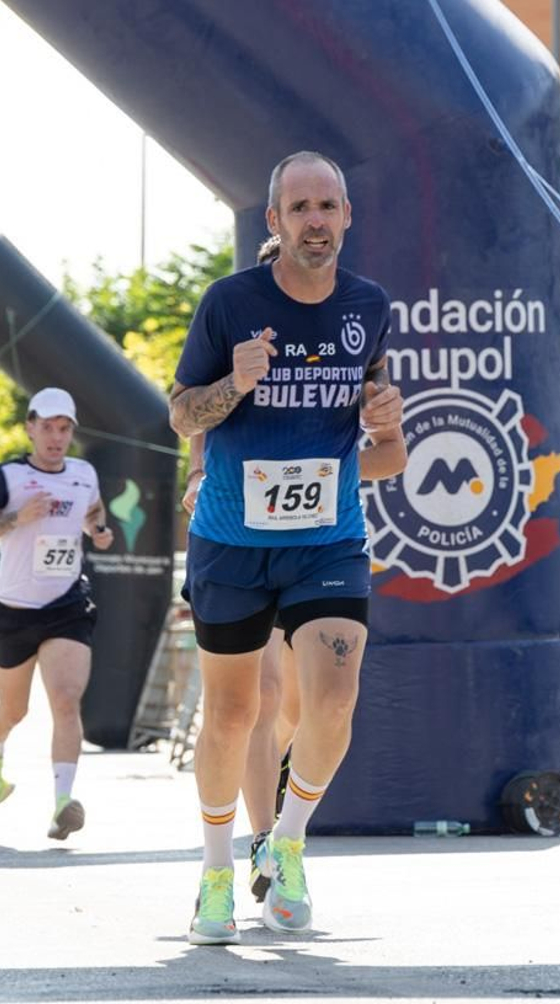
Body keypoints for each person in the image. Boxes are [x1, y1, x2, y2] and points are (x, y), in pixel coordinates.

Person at [170, 150, 404, 944]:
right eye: (298, 207)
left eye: (326, 206)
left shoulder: (369, 306)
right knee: (234, 715)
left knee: (334, 701)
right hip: (232, 542)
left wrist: (387, 418)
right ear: (273, 222)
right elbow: (182, 415)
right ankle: (213, 872)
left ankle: (290, 841)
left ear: (346, 217)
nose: (314, 220)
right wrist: (236, 383)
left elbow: (379, 431)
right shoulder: (230, 303)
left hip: (327, 540)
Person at [0, 387, 114, 838]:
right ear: (30, 428)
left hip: (67, 606)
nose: (55, 437)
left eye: (64, 429)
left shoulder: (83, 473)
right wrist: (16, 519)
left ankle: (64, 802)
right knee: (13, 710)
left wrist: (98, 530)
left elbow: (93, 510)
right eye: (47, 427)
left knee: (65, 701)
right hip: (15, 611)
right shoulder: (7, 477)